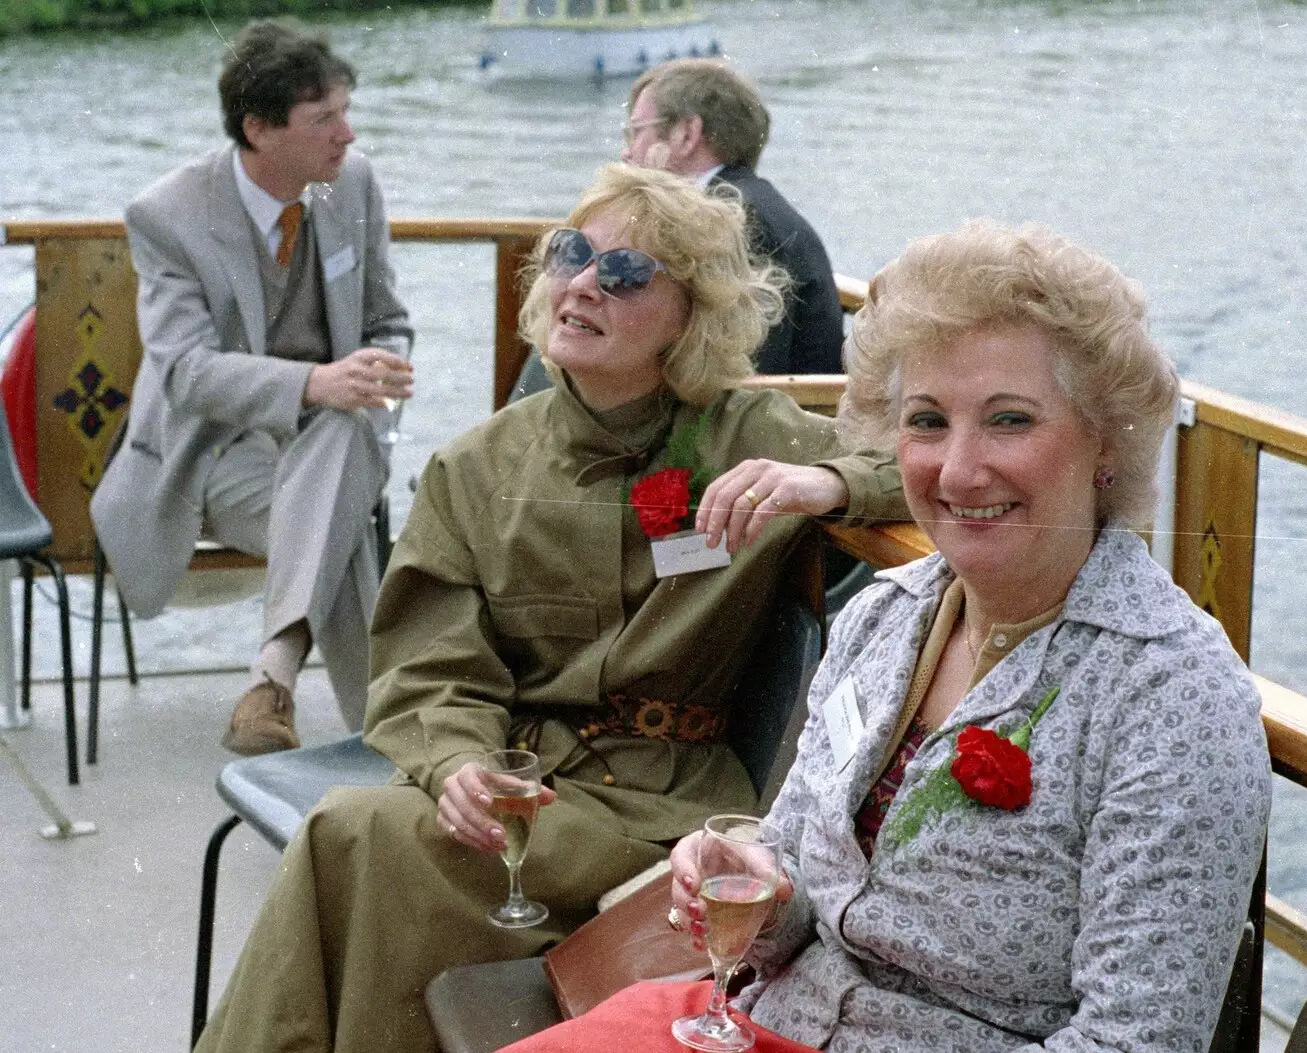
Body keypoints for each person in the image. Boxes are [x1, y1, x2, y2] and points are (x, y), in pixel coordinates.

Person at [505, 221, 1272, 1053]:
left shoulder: (1172, 696)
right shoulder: (886, 614)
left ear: (1106, 443)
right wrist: (761, 896)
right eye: (928, 421)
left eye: (1010, 420)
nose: (958, 469)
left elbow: (1138, 1044)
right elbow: (800, 901)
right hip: (762, 1022)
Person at [191, 163, 906, 1053]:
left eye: (627, 273)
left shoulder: (745, 436)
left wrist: (827, 478)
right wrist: (452, 760)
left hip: (664, 804)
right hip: (523, 783)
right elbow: (430, 665)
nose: (581, 284)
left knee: (361, 840)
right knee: (361, 837)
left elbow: (919, 469)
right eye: (572, 255)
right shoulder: (478, 466)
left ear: (693, 313)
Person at [90, 19, 413, 752]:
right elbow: (184, 370)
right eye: (324, 118)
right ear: (260, 129)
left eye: (345, 111)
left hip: (335, 434)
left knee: (343, 438)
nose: (348, 135)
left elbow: (389, 319)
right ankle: (390, 744)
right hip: (212, 455)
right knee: (342, 522)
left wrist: (382, 368)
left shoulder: (352, 184)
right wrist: (318, 381)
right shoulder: (168, 213)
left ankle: (273, 683)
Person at [513, 58, 843, 402]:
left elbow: (734, 367)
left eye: (636, 132)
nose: (627, 152)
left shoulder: (728, 225)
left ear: (686, 135)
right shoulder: (758, 205)